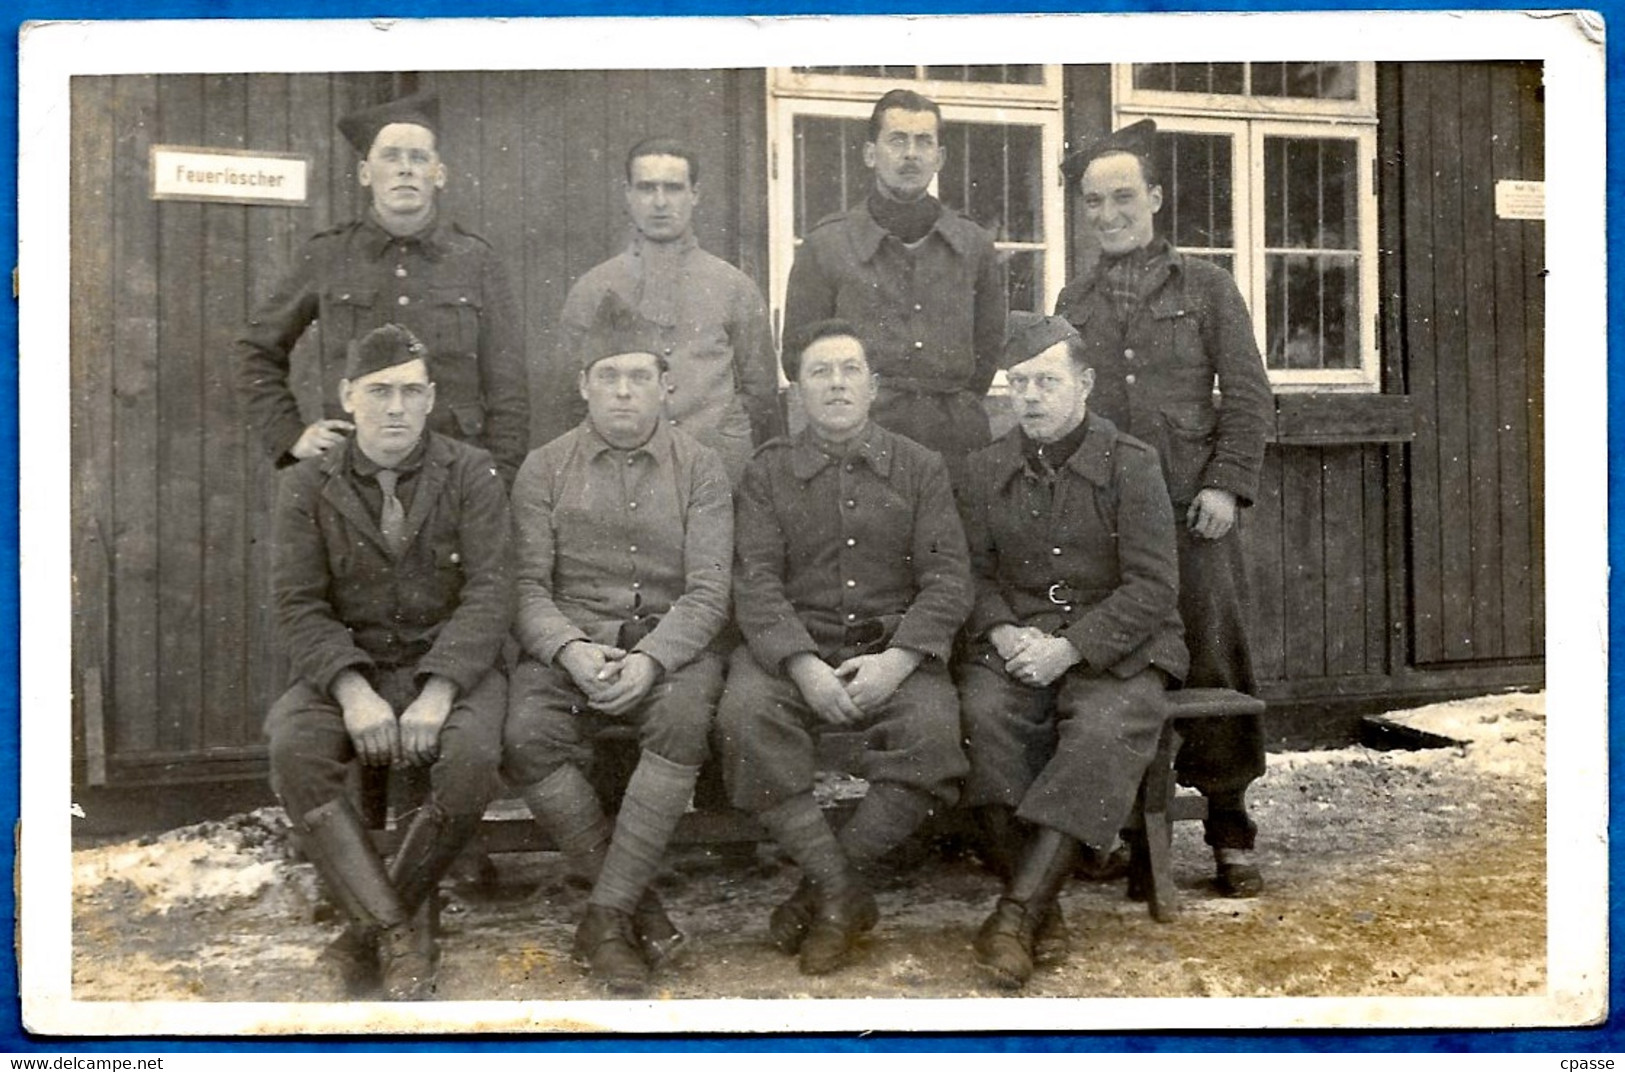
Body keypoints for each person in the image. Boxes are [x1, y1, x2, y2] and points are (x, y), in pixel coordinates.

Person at [1054, 119, 1275, 896]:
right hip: (1108, 520)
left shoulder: (1206, 287)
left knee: (1213, 661)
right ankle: (1118, 827)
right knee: (1117, 659)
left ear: (1152, 198)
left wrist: (1224, 485)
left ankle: (1228, 829)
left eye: (1123, 197)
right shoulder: (1071, 299)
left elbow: (1248, 395)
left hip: (1191, 511)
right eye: (1093, 201)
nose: (1109, 213)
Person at [266, 323, 515, 1001]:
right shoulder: (308, 484)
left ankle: (363, 936)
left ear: (431, 398)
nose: (396, 407)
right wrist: (352, 691)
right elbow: (297, 604)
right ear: (348, 398)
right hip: (352, 669)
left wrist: (437, 693)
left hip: (450, 667)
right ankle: (399, 937)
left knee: (468, 761)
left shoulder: (470, 472)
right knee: (293, 747)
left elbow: (491, 592)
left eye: (410, 391)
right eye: (379, 391)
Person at [718, 319, 972, 976]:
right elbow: (756, 579)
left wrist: (898, 661)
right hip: (791, 656)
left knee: (934, 735)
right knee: (744, 719)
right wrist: (802, 667)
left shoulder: (919, 468)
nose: (835, 384)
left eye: (848, 370)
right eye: (818, 372)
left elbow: (947, 578)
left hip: (892, 654)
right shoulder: (766, 472)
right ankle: (840, 895)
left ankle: (821, 892)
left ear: (873, 385)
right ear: (796, 390)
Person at [502, 291, 734, 995]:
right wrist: (570, 650)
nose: (624, 392)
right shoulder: (542, 469)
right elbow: (526, 589)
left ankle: (604, 917)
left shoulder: (701, 469)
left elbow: (706, 592)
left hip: (670, 649)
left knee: (683, 716)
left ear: (665, 385)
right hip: (570, 649)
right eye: (608, 377)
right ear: (583, 385)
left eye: (639, 377)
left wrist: (653, 657)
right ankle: (636, 904)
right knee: (525, 733)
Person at [956, 312, 1189, 989]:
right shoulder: (983, 468)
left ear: (1083, 384)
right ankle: (1042, 910)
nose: (1029, 397)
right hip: (1017, 641)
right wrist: (1003, 634)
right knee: (981, 716)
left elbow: (1152, 587)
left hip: (1121, 647)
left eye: (1046, 382)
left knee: (1102, 730)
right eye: (1018, 383)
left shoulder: (1132, 464)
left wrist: (1069, 651)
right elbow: (969, 573)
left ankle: (1017, 912)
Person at [237, 91, 529, 486]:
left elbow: (508, 387)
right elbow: (256, 351)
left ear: (439, 174)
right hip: (351, 470)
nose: (405, 169)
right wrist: (290, 436)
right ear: (365, 173)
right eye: (390, 156)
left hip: (454, 474)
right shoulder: (328, 255)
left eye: (419, 157)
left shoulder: (476, 260)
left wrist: (499, 478)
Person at [781, 89, 1006, 485]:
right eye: (897, 140)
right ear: (870, 154)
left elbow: (987, 353)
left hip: (954, 448)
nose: (911, 154)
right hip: (858, 447)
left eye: (924, 142)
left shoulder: (974, 246)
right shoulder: (827, 246)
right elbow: (797, 357)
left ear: (940, 158)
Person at [543, 137, 780, 483]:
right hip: (620, 480)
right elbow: (567, 398)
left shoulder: (734, 287)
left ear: (695, 194)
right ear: (627, 194)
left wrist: (722, 436)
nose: (659, 203)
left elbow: (761, 394)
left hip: (717, 474)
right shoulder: (593, 289)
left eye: (673, 188)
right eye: (646, 188)